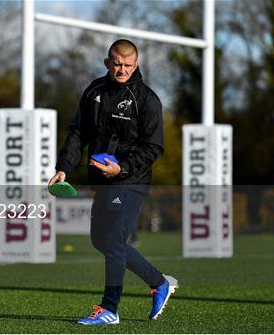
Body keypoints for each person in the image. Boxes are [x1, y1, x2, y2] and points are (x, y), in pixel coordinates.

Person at [48, 39, 177, 325]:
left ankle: (110, 309)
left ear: (136, 64)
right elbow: (78, 132)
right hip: (102, 180)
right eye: (117, 64)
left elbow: (153, 147)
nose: (122, 70)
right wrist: (63, 168)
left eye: (128, 65)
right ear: (107, 62)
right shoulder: (94, 90)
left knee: (112, 239)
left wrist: (122, 169)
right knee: (101, 239)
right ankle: (159, 282)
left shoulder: (148, 100)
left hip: (131, 180)